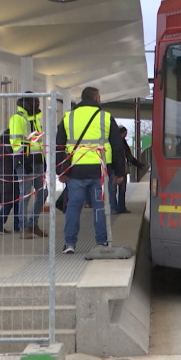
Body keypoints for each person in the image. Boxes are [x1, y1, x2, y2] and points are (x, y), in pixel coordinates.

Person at [56, 87, 125, 254]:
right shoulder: (106, 117)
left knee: (73, 207)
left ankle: (69, 243)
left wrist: (61, 171)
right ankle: (101, 242)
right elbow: (117, 147)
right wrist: (120, 172)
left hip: (75, 171)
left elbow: (59, 146)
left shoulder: (68, 117)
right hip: (100, 171)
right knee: (99, 207)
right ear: (96, 98)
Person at [9, 93, 47, 238]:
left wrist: (42, 160)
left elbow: (36, 141)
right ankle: (23, 228)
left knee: (43, 192)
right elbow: (16, 142)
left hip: (37, 160)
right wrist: (24, 160)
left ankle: (33, 224)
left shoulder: (34, 119)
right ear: (28, 103)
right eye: (36, 102)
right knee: (24, 195)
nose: (38, 104)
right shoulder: (17, 118)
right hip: (24, 161)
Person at [0, 129, 21, 234]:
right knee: (11, 202)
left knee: (14, 201)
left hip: (7, 178)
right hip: (10, 178)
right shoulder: (8, 148)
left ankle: (17, 225)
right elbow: (15, 159)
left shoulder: (1, 148)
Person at [112, 126, 145, 214]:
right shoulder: (123, 143)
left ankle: (114, 208)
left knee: (112, 189)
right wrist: (138, 164)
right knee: (122, 189)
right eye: (125, 134)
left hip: (112, 168)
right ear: (122, 133)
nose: (125, 136)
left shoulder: (111, 141)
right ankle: (121, 207)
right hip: (122, 168)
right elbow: (129, 157)